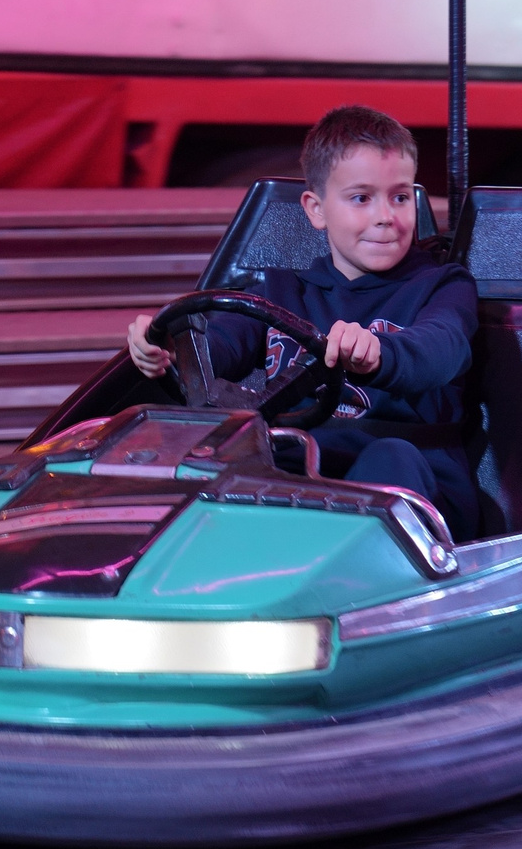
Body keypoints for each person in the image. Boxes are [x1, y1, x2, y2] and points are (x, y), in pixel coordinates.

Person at [125, 107, 481, 539]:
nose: (386, 216)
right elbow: (220, 349)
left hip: (413, 478)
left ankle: (353, 573)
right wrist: (163, 349)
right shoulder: (281, 292)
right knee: (219, 454)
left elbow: (439, 352)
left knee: (390, 457)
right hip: (302, 467)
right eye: (361, 198)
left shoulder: (442, 285)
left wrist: (378, 355)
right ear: (316, 209)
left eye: (400, 197)